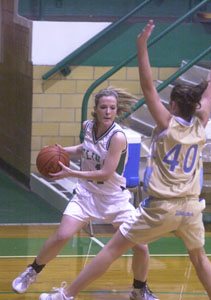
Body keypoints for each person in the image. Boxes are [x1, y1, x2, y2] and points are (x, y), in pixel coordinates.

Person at [37, 20, 211, 300]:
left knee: (111, 249)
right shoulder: (201, 123)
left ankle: (66, 295)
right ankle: (139, 291)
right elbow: (210, 88)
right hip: (191, 209)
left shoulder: (167, 124)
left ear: (174, 105)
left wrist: (141, 46)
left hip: (161, 208)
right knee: (201, 259)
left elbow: (147, 87)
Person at [12, 86, 158, 300]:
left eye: (112, 108)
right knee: (62, 235)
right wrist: (62, 151)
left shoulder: (117, 137)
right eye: (104, 107)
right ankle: (32, 271)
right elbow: (84, 148)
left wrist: (72, 172)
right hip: (86, 195)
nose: (108, 111)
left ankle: (139, 290)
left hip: (114, 199)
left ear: (117, 111)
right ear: (96, 109)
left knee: (142, 248)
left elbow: (107, 173)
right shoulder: (88, 126)